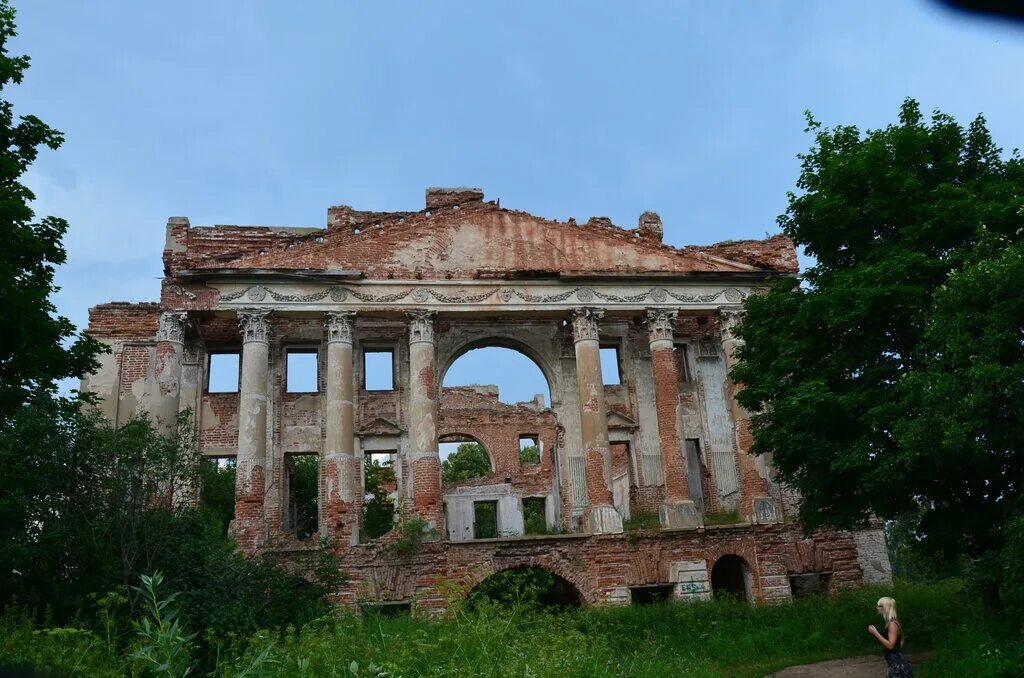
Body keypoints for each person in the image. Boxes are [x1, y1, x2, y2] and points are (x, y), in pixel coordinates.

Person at [868, 596, 913, 678]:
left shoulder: (892, 624)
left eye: (879, 606)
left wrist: (875, 633)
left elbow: (891, 645)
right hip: (895, 662)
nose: (877, 608)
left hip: (897, 665)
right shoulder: (891, 622)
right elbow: (902, 639)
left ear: (884, 608)